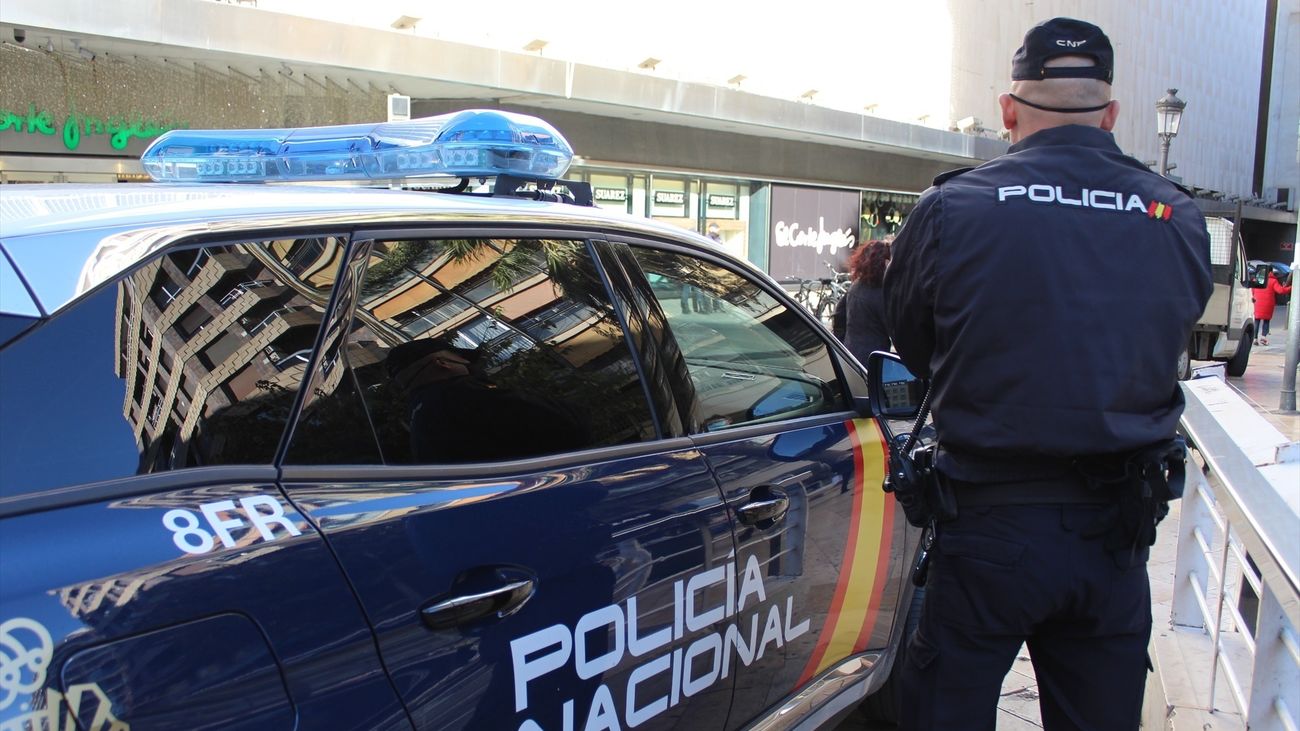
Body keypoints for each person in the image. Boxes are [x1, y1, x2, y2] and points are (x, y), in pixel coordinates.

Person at [882, 18, 1212, 731]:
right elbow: (1167, 336)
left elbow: (916, 348)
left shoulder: (952, 207)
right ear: (1113, 113)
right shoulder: (1174, 214)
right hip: (1115, 537)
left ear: (1008, 109)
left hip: (988, 527)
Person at [386, 336, 588, 463]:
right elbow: (566, 424)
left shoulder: (420, 416)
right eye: (464, 359)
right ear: (443, 363)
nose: (468, 364)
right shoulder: (462, 397)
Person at [841, 239, 892, 365]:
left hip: (850, 353)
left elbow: (839, 315)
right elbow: (896, 330)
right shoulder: (880, 293)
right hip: (873, 359)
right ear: (884, 262)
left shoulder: (856, 285)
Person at [1252, 268, 1292, 346]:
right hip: (1268, 304)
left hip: (1257, 303)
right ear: (1270, 272)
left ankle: (1255, 338)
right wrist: (1291, 288)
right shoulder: (1273, 281)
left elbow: (1252, 291)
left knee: (1256, 321)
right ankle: (1263, 337)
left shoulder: (1257, 279)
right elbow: (1280, 290)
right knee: (1266, 321)